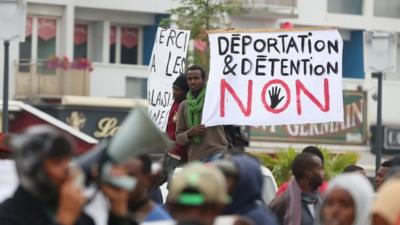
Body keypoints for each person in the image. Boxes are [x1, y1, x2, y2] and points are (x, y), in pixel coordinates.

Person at [0, 125, 94, 225]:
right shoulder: (7, 216)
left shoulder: (79, 216)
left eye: (68, 160)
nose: (67, 169)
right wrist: (65, 221)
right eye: (57, 162)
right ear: (33, 169)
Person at [176, 65, 228, 162]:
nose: (192, 81)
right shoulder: (183, 106)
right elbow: (178, 138)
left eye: (196, 78)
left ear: (204, 79)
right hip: (196, 158)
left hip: (217, 152)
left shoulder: (214, 100)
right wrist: (189, 133)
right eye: (189, 79)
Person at [102, 154, 172, 224]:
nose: (121, 181)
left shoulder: (160, 221)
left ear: (148, 179)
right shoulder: (104, 206)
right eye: (119, 174)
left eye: (130, 175)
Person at [216, 154, 278, 225]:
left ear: (246, 182)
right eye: (221, 177)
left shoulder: (261, 219)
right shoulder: (214, 211)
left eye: (228, 179)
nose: (223, 183)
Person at [270, 152, 324, 225]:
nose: (323, 173)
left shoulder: (322, 200)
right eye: (320, 169)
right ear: (309, 173)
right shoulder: (281, 203)